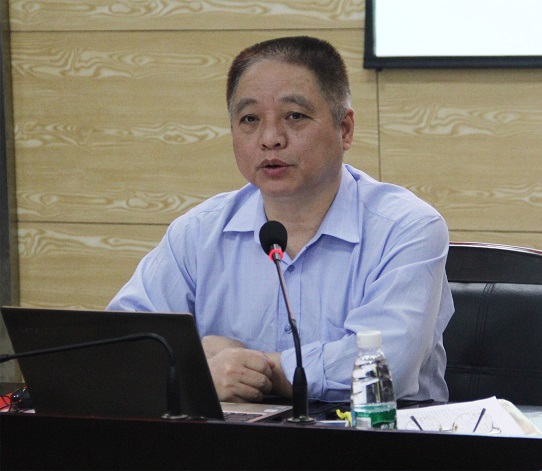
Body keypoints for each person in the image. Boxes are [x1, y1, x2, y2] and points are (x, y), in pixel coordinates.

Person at [107, 36, 454, 404]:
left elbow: (384, 368)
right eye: (250, 119)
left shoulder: (407, 228)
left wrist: (240, 370)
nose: (270, 138)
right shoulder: (197, 234)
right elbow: (118, 350)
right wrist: (197, 373)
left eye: (295, 116)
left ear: (345, 129)